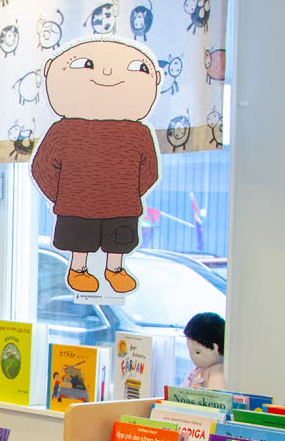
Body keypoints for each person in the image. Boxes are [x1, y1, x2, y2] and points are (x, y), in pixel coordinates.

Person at [33, 38, 161, 294]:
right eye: (86, 64)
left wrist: (129, 192)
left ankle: (115, 268)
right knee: (79, 237)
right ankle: (78, 268)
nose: (107, 73)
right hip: (77, 206)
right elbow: (42, 168)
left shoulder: (138, 133)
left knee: (120, 238)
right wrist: (63, 196)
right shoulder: (63, 130)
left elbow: (149, 171)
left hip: (121, 205)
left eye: (134, 68)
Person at [182, 311, 225, 389]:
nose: (192, 357)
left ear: (215, 348)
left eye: (197, 352)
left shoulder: (217, 371)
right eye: (190, 352)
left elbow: (216, 398)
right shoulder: (196, 369)